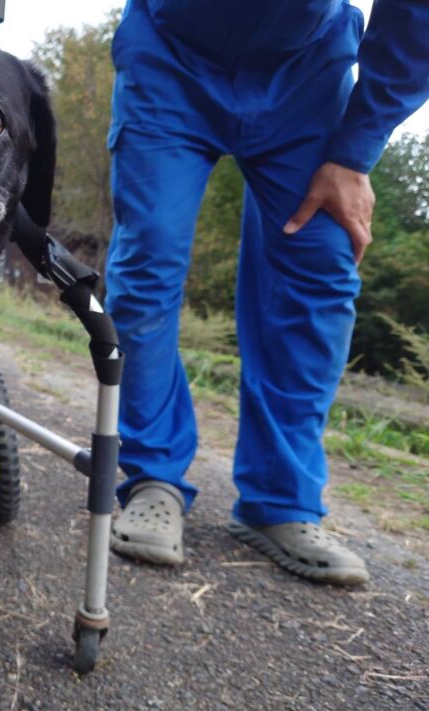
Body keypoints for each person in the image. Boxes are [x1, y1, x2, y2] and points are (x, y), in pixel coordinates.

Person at [104, 0, 429, 585]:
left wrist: (355, 150)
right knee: (150, 251)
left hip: (307, 68)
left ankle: (280, 498)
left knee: (321, 266)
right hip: (169, 53)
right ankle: (153, 475)